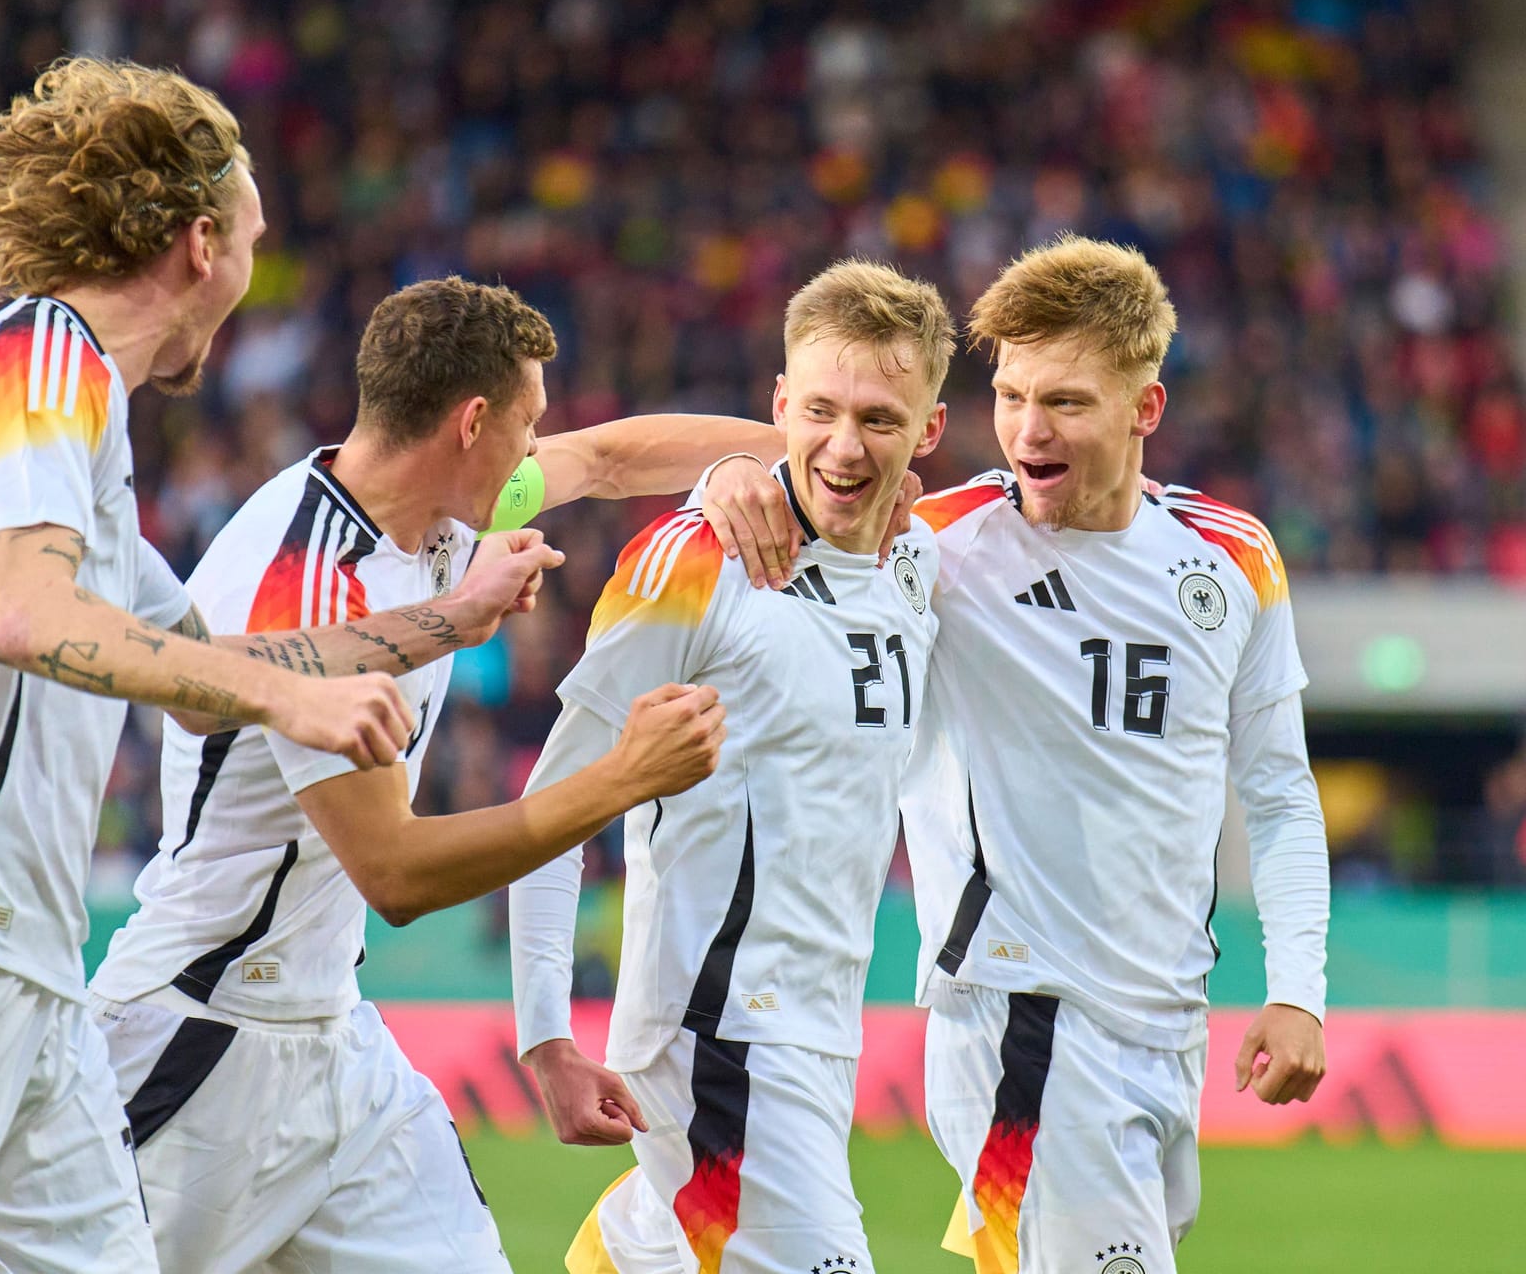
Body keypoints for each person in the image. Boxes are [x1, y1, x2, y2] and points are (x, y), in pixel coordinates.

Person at [0, 60, 553, 1274]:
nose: (250, 270)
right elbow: (27, 617)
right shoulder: (40, 358)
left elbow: (205, 661)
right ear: (199, 245)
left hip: (30, 979)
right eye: (250, 238)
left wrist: (447, 618)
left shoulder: (90, 425)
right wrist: (293, 693)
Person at [87, 274, 788, 1272]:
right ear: (472, 423)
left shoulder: (438, 512)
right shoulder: (307, 585)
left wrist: (781, 464)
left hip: (335, 1041)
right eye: (527, 421)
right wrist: (623, 777)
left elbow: (616, 453)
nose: (538, 447)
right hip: (197, 1041)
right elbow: (399, 872)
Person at [701, 236, 1329, 1274]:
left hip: (1166, 1024)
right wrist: (726, 469)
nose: (1030, 430)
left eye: (1069, 402)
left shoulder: (1233, 558)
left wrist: (1299, 986)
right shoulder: (933, 546)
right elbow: (817, 460)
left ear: (1147, 409)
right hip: (1018, 1019)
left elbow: (1279, 790)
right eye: (1012, 395)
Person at [509, 259, 954, 1274]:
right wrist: (546, 1035)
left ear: (928, 431)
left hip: (817, 1033)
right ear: (778, 408)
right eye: (822, 412)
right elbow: (555, 803)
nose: (845, 446)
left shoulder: (921, 561)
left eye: (881, 419)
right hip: (718, 1035)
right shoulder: (695, 562)